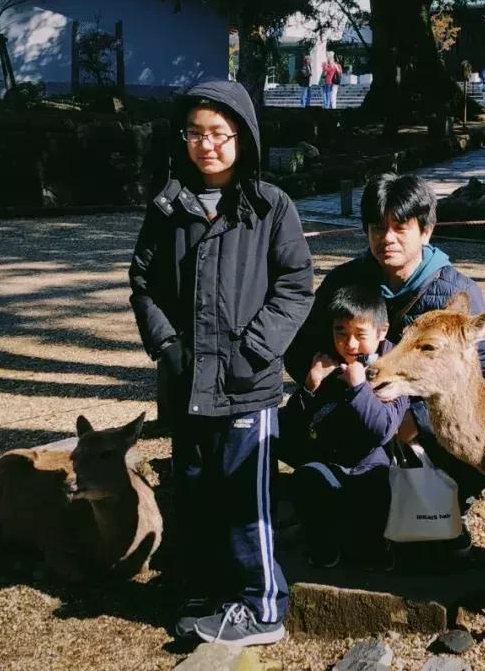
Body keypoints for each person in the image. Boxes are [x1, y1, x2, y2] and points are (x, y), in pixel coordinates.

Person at [128, 80, 314, 647]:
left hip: (245, 388)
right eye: (195, 133)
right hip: (188, 385)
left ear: (242, 138)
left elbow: (297, 286)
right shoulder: (169, 207)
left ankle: (261, 606)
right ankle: (206, 591)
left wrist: (252, 351)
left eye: (218, 134)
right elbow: (142, 283)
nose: (206, 145)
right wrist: (168, 348)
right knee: (195, 489)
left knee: (243, 498)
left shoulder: (269, 206)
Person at [284, 173, 485, 557]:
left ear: (426, 231)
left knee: (470, 444)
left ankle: (446, 511)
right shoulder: (345, 282)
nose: (387, 238)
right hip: (356, 414)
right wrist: (331, 379)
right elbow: (301, 349)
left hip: (425, 430)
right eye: (377, 227)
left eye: (400, 227)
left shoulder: (457, 291)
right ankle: (341, 504)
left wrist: (417, 421)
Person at [281, 285, 410, 569]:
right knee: (308, 478)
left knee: (373, 488)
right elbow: (293, 425)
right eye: (341, 332)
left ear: (382, 331)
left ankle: (372, 547)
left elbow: (383, 429)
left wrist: (359, 388)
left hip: (371, 463)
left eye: (360, 335)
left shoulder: (394, 368)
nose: (350, 344)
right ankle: (324, 544)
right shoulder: (325, 360)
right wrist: (310, 387)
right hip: (329, 458)